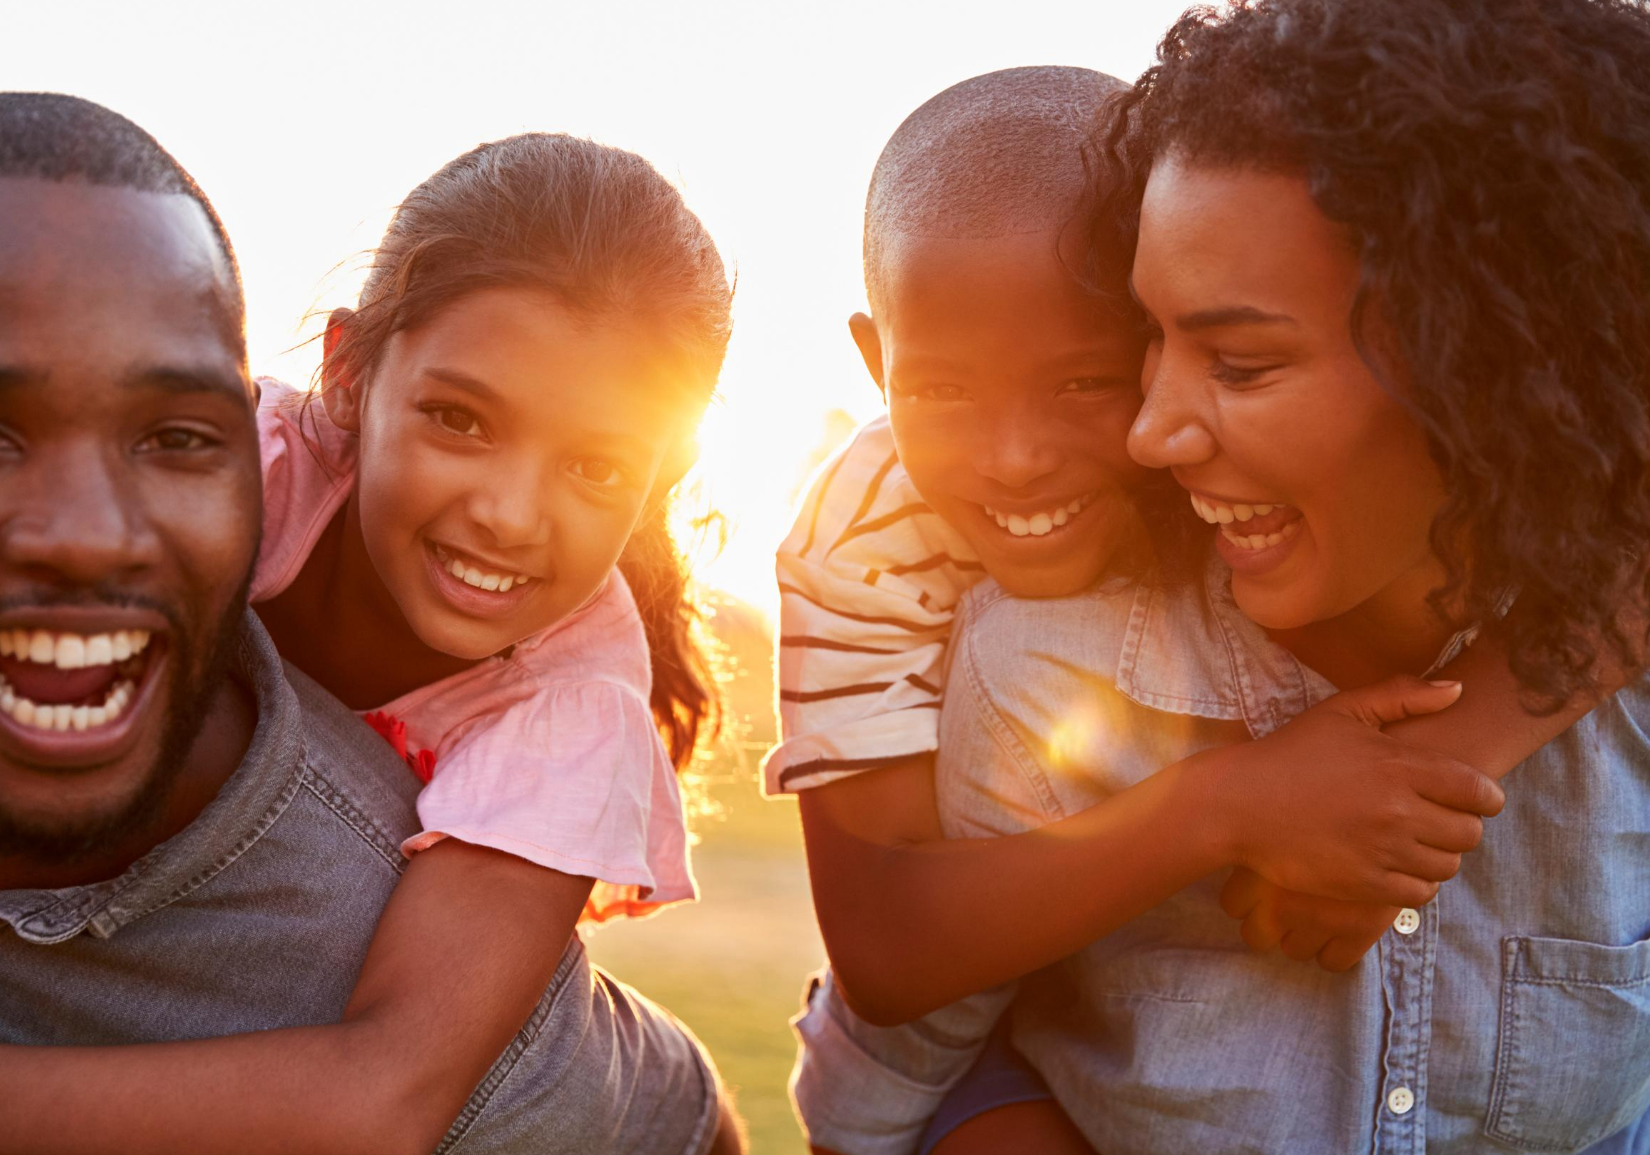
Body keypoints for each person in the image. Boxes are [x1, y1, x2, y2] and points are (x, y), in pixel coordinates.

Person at [835, 0, 1650, 1150]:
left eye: (1242, 361)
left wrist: (1450, 750)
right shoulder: (1043, 672)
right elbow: (896, 1067)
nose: (1150, 432)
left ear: (1491, 363)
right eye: (1150, 343)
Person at [0, 93, 740, 1155]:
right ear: (348, 375)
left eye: (596, 464)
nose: (510, 511)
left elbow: (384, 1098)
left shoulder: (572, 708)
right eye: (461, 418)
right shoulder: (253, 473)